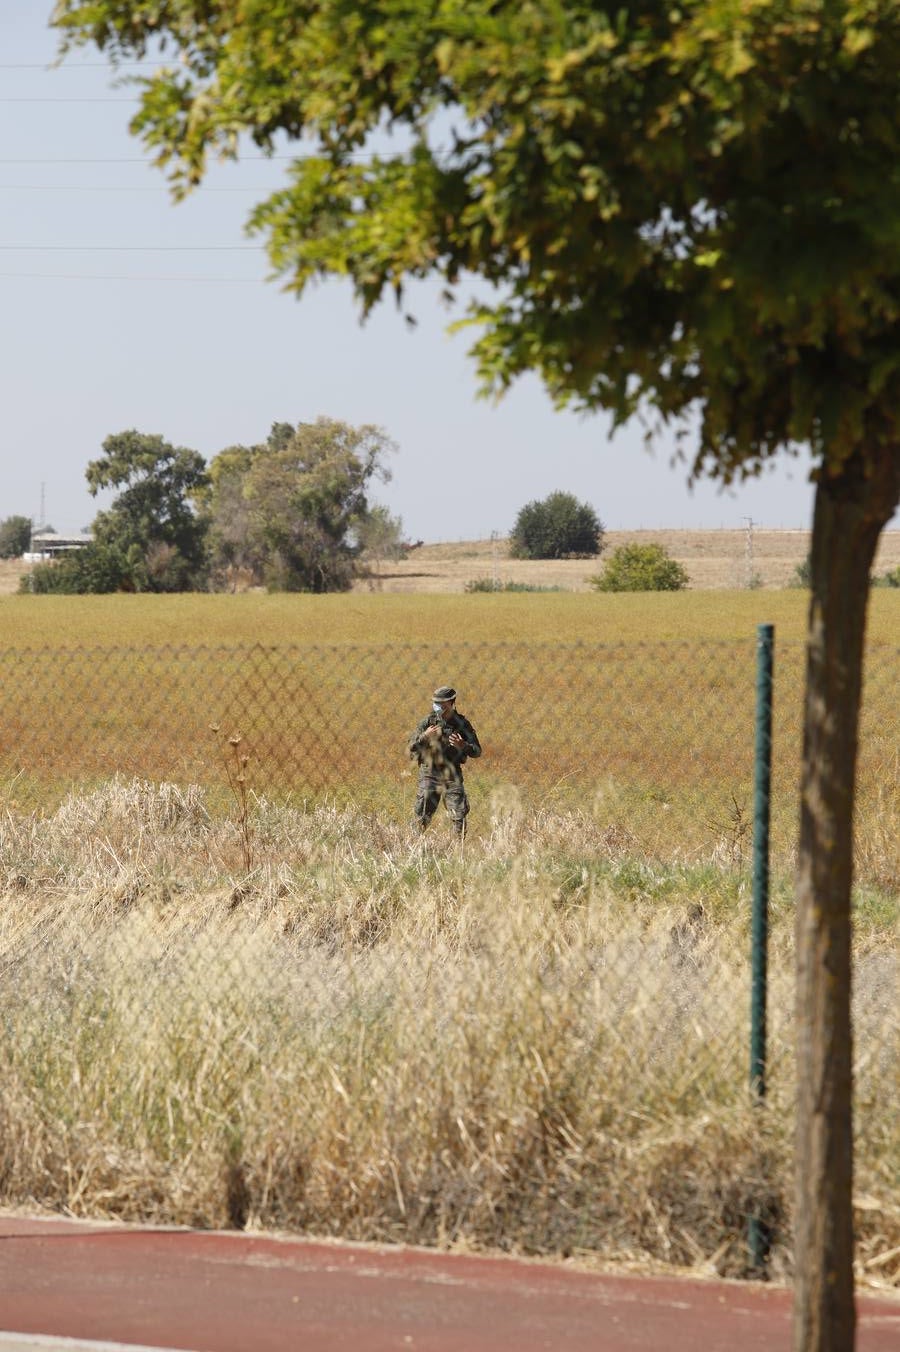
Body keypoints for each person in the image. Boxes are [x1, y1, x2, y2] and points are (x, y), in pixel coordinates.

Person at [408, 685, 481, 838]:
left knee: (458, 817)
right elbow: (411, 749)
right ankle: (414, 846)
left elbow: (477, 751)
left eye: (442, 703)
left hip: (452, 774)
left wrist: (464, 746)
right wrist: (424, 737)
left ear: (451, 702)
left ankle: (457, 850)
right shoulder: (428, 722)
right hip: (429, 773)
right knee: (421, 815)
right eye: (435, 702)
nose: (438, 706)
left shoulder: (462, 724)